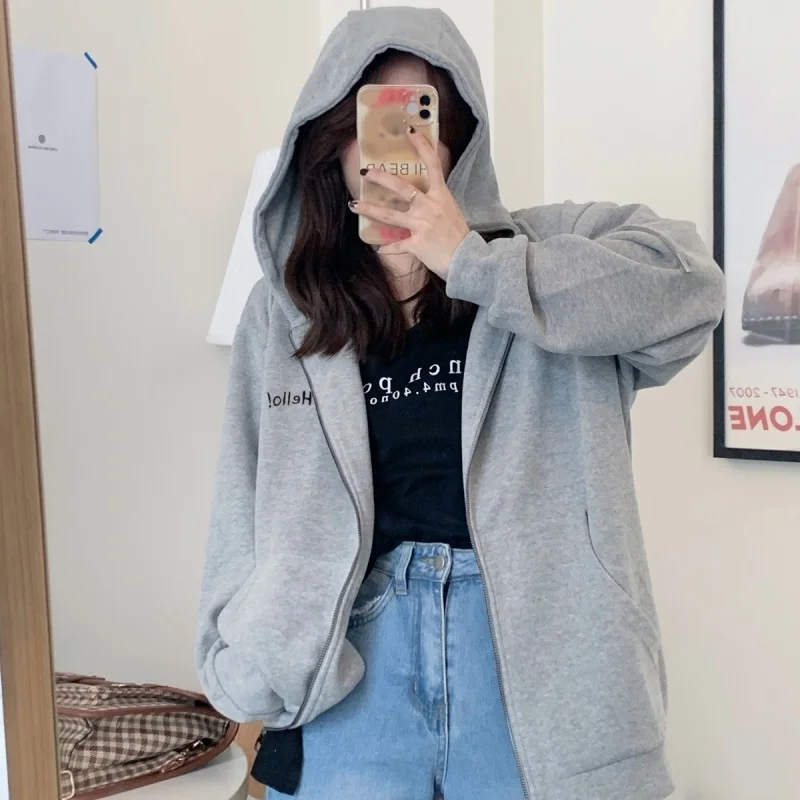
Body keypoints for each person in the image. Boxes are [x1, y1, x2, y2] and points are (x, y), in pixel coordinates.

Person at [196, 7, 725, 800]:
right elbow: (242, 492)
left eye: (424, 118)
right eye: (377, 120)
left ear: (461, 137)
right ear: (333, 139)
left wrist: (472, 262)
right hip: (353, 660)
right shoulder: (286, 310)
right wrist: (238, 654)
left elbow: (690, 292)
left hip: (535, 668)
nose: (401, 147)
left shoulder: (548, 252)